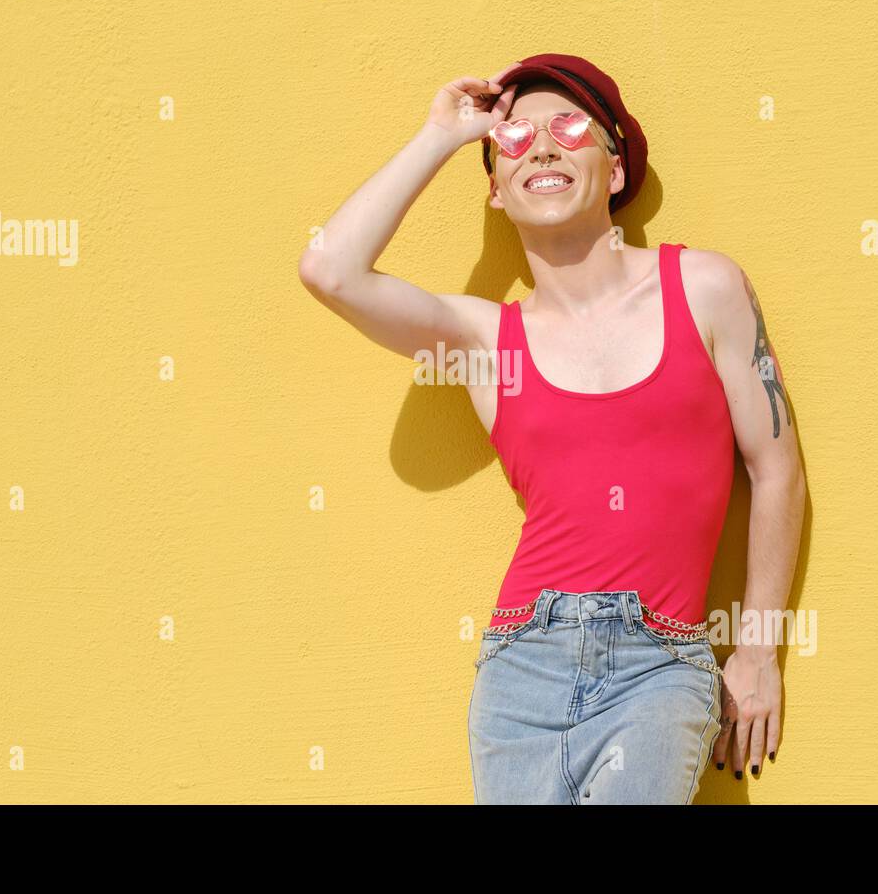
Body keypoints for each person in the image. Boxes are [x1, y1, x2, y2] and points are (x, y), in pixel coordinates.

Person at [299, 53, 806, 804]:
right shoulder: (484, 343)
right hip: (521, 670)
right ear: (497, 194)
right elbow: (330, 270)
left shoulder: (704, 289)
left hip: (660, 667)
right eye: (513, 139)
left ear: (617, 168)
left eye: (569, 127)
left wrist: (757, 651)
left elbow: (777, 471)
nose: (540, 145)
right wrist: (441, 135)